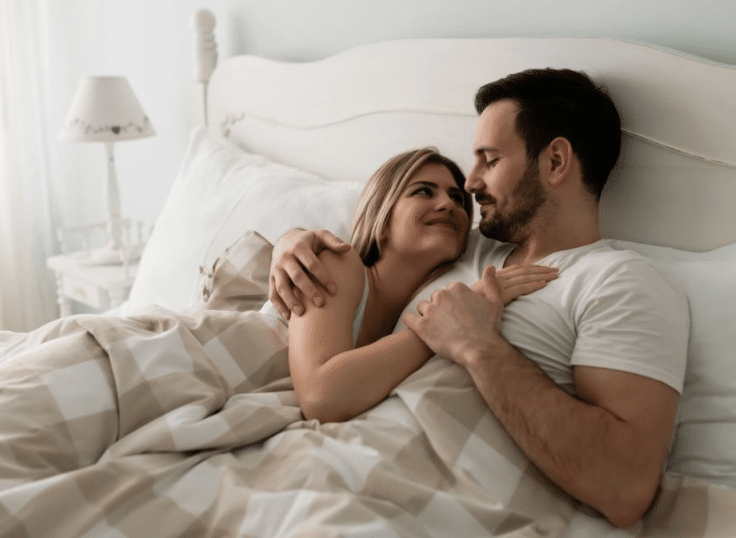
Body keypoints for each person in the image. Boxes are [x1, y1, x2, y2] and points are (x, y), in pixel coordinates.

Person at [268, 68, 689, 528]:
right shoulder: (460, 244)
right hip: (321, 465)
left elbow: (625, 487)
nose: (468, 185)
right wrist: (291, 242)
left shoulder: (619, 282)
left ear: (555, 162)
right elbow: (371, 248)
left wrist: (477, 345)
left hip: (406, 506)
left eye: (489, 160)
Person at [277, 147, 558, 424]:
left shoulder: (404, 312)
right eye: (423, 191)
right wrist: (442, 327)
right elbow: (320, 398)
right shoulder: (338, 264)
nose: (448, 204)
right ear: (382, 216)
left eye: (457, 198)